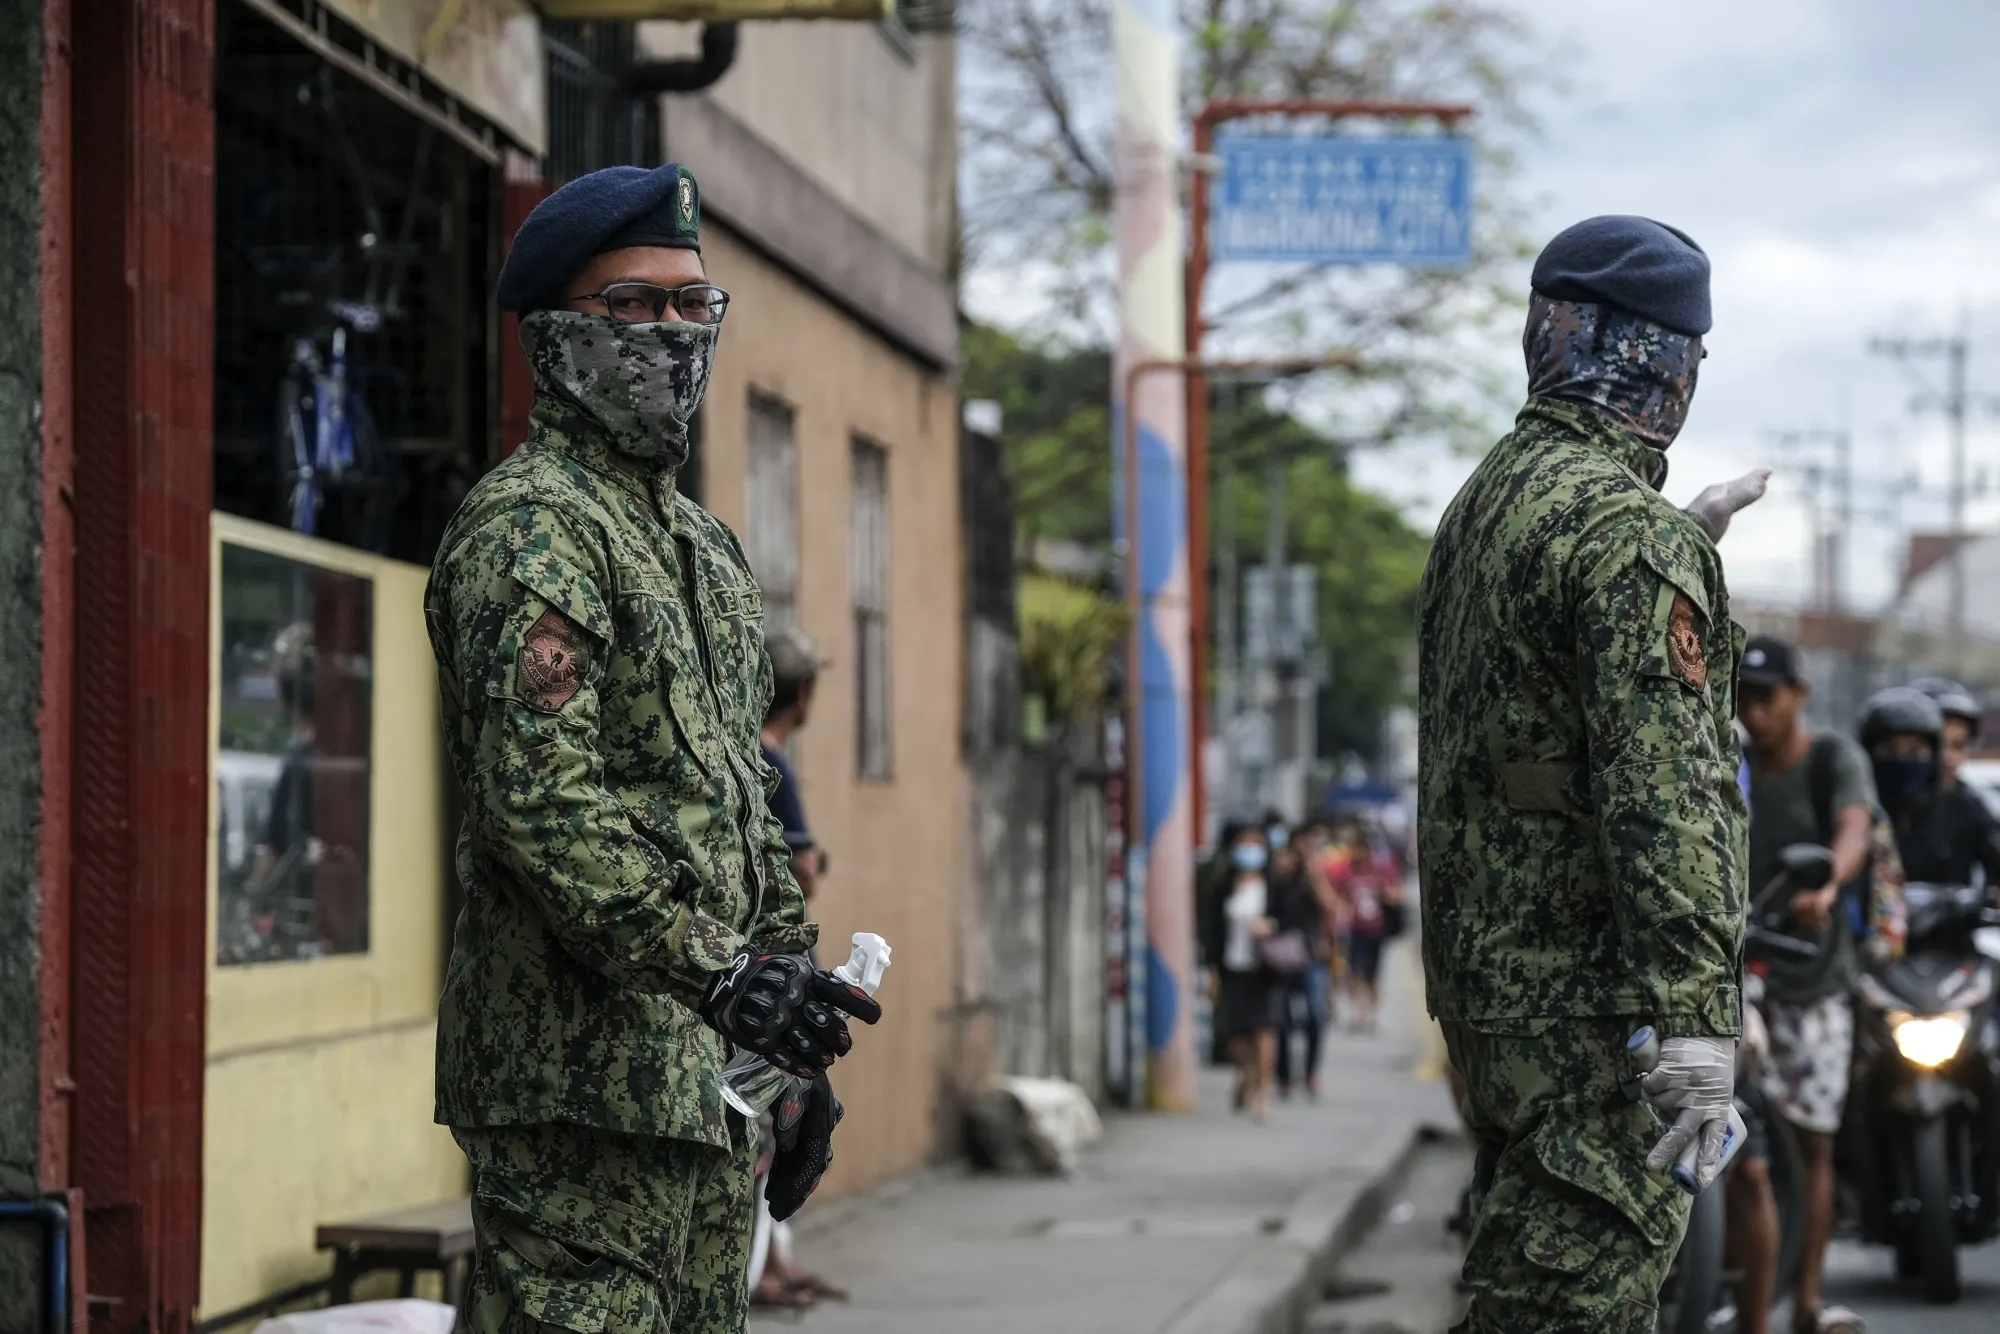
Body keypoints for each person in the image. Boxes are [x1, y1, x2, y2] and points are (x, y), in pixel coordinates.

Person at [424, 162, 881, 1334]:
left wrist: (793, 1045)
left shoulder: (702, 551)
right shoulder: (533, 527)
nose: (672, 333)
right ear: (557, 334)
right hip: (578, 1094)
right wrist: (724, 974)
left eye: (693, 304)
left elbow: (742, 815)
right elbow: (541, 806)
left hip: (708, 1099)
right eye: (632, 305)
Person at [1418, 215, 1751, 1332]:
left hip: (1493, 1003)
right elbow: (1663, 794)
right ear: (1662, 363)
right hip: (1597, 1019)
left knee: (1525, 1289)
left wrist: (1677, 551)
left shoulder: (1489, 500)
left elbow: (1525, 737)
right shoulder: (1624, 535)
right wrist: (1698, 1020)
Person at [1733, 635, 1876, 1334]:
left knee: (1813, 1143)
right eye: (1743, 698)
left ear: (1799, 695)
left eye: (1767, 696)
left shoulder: (1831, 760)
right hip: (1736, 972)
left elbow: (1856, 829)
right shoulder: (1728, 767)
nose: (1754, 712)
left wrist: (1828, 886)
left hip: (1813, 978)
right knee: (1733, 1142)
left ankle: (1810, 1300)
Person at [746, 627, 848, 1312]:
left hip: (749, 981)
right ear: (803, 695)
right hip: (773, 984)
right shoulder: (771, 764)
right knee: (777, 1131)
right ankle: (762, 1271)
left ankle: (774, 1261)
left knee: (781, 1128)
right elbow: (802, 871)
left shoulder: (741, 758)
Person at [1209, 825, 1279, 1122]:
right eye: (1244, 844)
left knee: (1263, 1031)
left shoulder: (1274, 887)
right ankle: (1245, 1076)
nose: (1249, 851)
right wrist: (1211, 970)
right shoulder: (1224, 887)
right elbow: (1212, 931)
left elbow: (1291, 919)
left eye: (1255, 844)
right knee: (1237, 1036)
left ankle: (1262, 1093)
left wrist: (1271, 926)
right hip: (1233, 967)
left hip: (1265, 968)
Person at [1903, 677, 2000, 888]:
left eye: (1958, 745)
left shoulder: (1971, 806)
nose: (1948, 757)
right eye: (1938, 745)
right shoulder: (1878, 801)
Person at [1270, 828, 1328, 1099]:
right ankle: (1283, 1076)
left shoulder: (1315, 877)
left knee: (1315, 1018)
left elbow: (1333, 908)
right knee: (1281, 1020)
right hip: (1281, 957)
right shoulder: (1277, 877)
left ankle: (1310, 1073)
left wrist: (1315, 875)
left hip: (1312, 957)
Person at [1325, 818, 1392, 1035]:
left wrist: (1383, 892)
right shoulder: (1347, 871)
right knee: (1354, 972)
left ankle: (1371, 1015)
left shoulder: (1381, 870)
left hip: (1376, 929)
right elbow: (1336, 892)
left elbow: (1395, 893)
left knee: (1373, 975)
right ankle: (1357, 1014)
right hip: (1354, 930)